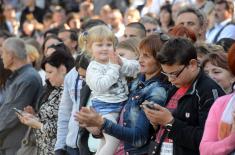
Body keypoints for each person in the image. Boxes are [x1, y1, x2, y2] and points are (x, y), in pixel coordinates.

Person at [75, 33, 170, 154]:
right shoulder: (136, 82)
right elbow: (118, 122)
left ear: (159, 59)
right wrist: (97, 128)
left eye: (146, 56)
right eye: (140, 55)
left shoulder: (157, 91)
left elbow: (138, 138)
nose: (140, 60)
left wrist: (102, 123)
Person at [143, 37, 225, 155]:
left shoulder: (208, 91)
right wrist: (155, 122)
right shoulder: (176, 85)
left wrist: (170, 122)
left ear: (192, 64)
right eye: (166, 74)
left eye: (174, 74)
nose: (170, 80)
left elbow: (208, 141)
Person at [79, 25, 139, 155]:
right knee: (113, 141)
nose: (105, 48)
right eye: (99, 45)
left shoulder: (115, 60)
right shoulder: (93, 67)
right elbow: (100, 85)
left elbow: (135, 68)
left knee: (104, 142)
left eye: (108, 44)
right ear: (90, 48)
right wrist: (114, 68)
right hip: (105, 108)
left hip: (120, 106)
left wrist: (122, 63)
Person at [17, 49, 74, 155]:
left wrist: (37, 124)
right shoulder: (54, 89)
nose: (47, 77)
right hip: (44, 149)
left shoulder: (71, 92)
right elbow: (50, 118)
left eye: (50, 72)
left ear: (62, 69)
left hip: (59, 150)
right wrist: (34, 116)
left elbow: (65, 125)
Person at [0, 37, 42, 155]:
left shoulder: (28, 78)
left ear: (11, 56)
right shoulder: (18, 77)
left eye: (3, 53)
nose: (1, 57)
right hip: (8, 141)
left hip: (18, 143)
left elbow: (13, 113)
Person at [200, 43, 235, 155]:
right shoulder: (220, 104)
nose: (210, 77)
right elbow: (205, 149)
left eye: (216, 72)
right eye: (206, 74)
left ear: (232, 76)